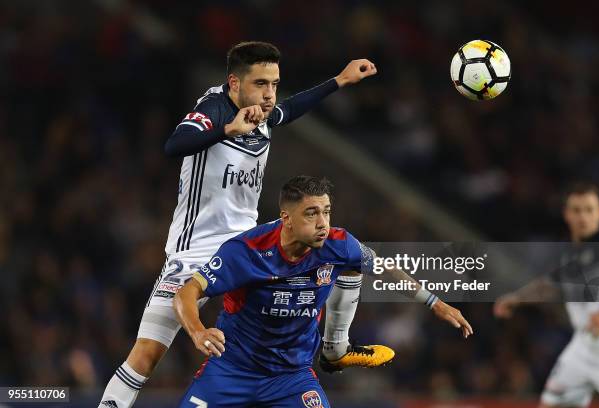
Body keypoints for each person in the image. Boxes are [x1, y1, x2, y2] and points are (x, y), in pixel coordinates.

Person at [99, 41, 390, 408]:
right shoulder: (214, 107)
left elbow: (290, 109)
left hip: (248, 245)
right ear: (234, 83)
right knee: (146, 355)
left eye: (274, 83)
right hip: (197, 251)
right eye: (260, 84)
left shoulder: (264, 112)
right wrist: (226, 130)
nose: (269, 95)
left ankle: (335, 348)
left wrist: (340, 80)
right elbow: (175, 145)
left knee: (343, 252)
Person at [174, 175, 473, 407]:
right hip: (232, 371)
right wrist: (198, 330)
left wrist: (435, 302)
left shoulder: (337, 244)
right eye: (312, 214)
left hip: (291, 376)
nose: (323, 224)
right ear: (286, 219)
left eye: (327, 212)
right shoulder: (246, 251)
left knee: (356, 263)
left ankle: (336, 348)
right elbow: (187, 292)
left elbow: (382, 267)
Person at [494, 182, 599, 407]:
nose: (583, 217)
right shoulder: (569, 253)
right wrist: (516, 298)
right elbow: (549, 285)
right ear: (566, 214)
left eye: (589, 209)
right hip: (583, 346)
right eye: (577, 210)